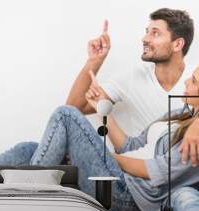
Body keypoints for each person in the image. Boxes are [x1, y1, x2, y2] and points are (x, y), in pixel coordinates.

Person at [0, 67, 199, 211]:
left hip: (129, 197)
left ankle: (25, 200)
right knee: (29, 148)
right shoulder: (177, 115)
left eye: (195, 81)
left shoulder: (195, 140)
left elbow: (155, 172)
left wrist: (103, 156)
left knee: (67, 115)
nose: (187, 81)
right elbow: (131, 147)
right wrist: (102, 110)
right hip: (119, 175)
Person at [67, 8, 199, 166]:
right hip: (132, 163)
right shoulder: (132, 77)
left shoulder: (195, 78)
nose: (145, 38)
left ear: (177, 44)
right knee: (29, 148)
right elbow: (74, 108)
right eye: (147, 32)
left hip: (172, 177)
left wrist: (196, 125)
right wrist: (95, 61)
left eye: (155, 33)